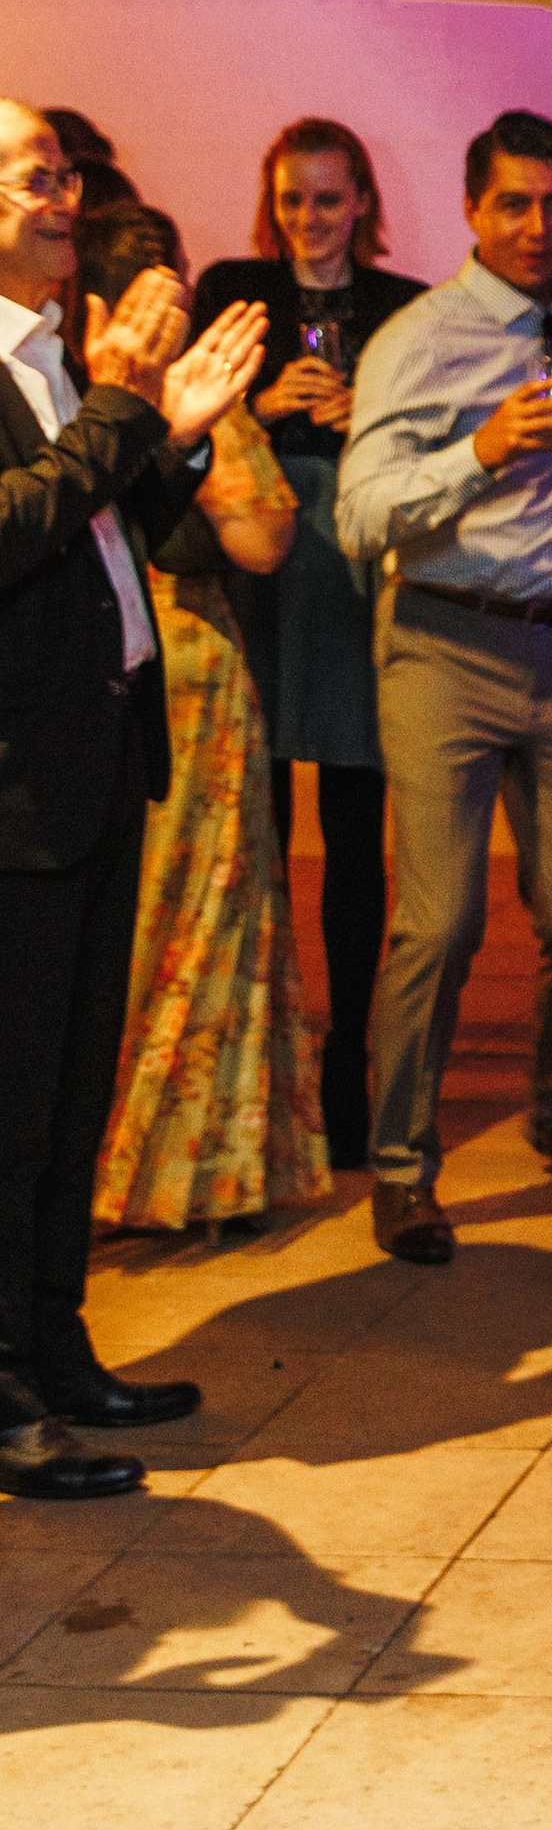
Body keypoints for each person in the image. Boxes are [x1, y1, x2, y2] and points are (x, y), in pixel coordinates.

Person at [0, 103, 266, 1493]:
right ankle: (4, 1398)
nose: (65, 195)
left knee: (68, 1096)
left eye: (64, 173)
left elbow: (114, 531)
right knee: (11, 1110)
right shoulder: (60, 373)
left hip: (97, 766)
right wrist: (121, 411)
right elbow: (10, 534)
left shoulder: (55, 358)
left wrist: (185, 440)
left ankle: (58, 1351)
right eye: (32, 177)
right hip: (14, 790)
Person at [336, 108, 552, 1268]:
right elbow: (359, 515)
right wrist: (482, 450)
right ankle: (402, 1168)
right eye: (513, 204)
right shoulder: (418, 338)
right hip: (445, 645)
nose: (538, 226)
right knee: (439, 922)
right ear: (471, 208)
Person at [80, 207, 328, 1238]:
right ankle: (176, 1178)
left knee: (129, 924)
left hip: (115, 674)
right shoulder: (161, 399)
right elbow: (264, 536)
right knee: (187, 924)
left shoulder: (63, 388)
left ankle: (107, 1175)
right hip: (173, 670)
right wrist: (219, 429)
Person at [193, 119, 423, 1167]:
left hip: (350, 569)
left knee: (354, 824)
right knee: (261, 824)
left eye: (328, 199)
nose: (309, 219)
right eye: (292, 199)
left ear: (362, 201)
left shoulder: (402, 305)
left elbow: (427, 435)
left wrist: (360, 411)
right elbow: (186, 420)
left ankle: (345, 1064)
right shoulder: (234, 290)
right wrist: (259, 401)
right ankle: (269, 1048)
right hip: (259, 565)